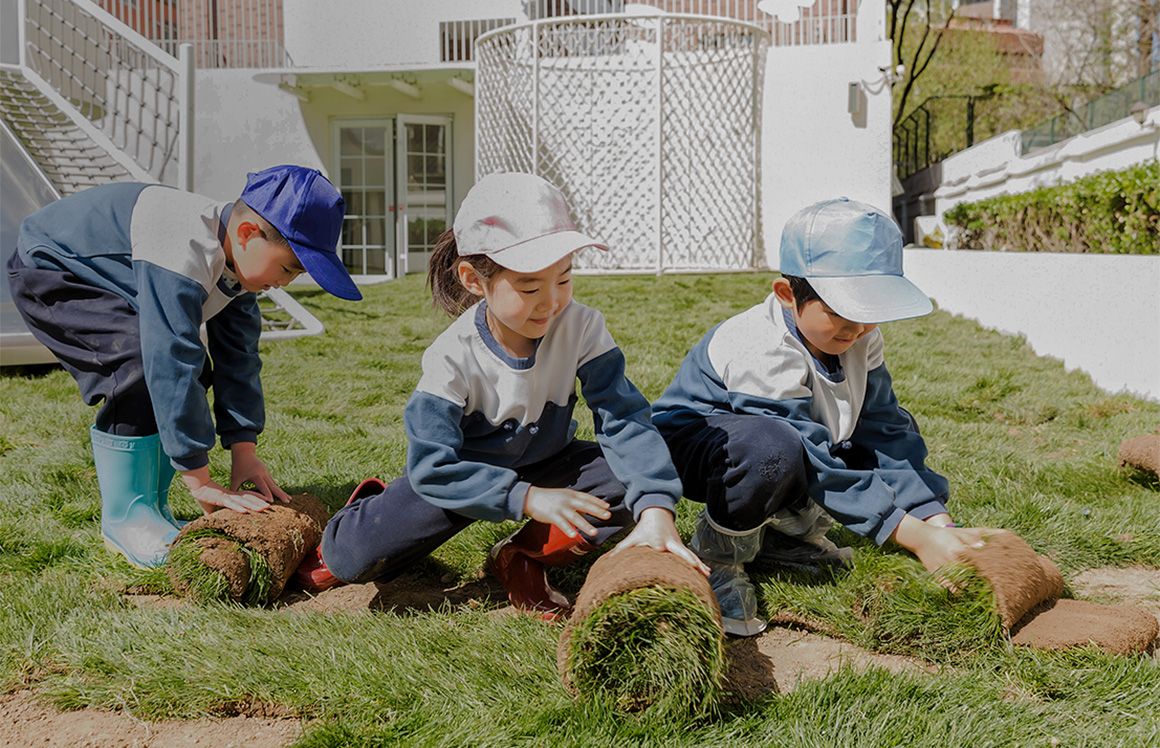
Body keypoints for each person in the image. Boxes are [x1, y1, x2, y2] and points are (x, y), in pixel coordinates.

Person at [302, 172, 707, 615]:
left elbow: (624, 419)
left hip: (547, 459)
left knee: (630, 479)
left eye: (564, 279)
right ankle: (363, 513)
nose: (551, 302)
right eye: (530, 286)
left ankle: (522, 556)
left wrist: (655, 507)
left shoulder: (583, 327)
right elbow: (431, 467)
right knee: (353, 560)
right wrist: (527, 498)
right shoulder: (451, 357)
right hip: (461, 476)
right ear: (474, 279)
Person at [651, 197, 986, 636]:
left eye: (870, 313)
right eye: (840, 312)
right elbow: (809, 455)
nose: (857, 329)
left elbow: (884, 430)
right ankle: (718, 557)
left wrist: (936, 521)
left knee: (867, 428)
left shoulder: (860, 336)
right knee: (774, 447)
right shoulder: (760, 345)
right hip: (704, 452)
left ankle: (784, 539)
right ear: (787, 295)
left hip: (783, 446)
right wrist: (914, 537)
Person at [6, 165, 362, 568]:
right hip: (52, 269)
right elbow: (170, 358)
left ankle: (153, 507)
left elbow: (239, 358)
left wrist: (244, 449)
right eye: (287, 268)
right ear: (247, 233)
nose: (286, 283)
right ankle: (126, 518)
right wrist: (201, 480)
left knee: (193, 370)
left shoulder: (238, 265)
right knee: (138, 366)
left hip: (105, 273)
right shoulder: (183, 249)